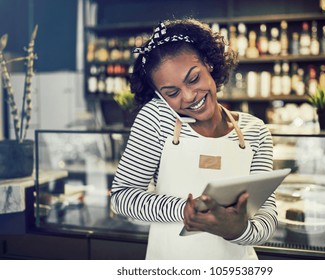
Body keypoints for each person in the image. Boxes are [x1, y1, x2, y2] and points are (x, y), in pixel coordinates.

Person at [110, 18, 276, 260]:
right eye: (172, 93)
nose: (188, 96)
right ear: (159, 95)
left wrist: (238, 230)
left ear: (209, 64)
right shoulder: (157, 119)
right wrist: (184, 210)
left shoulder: (255, 131)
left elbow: (268, 218)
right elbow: (122, 197)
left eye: (193, 78)